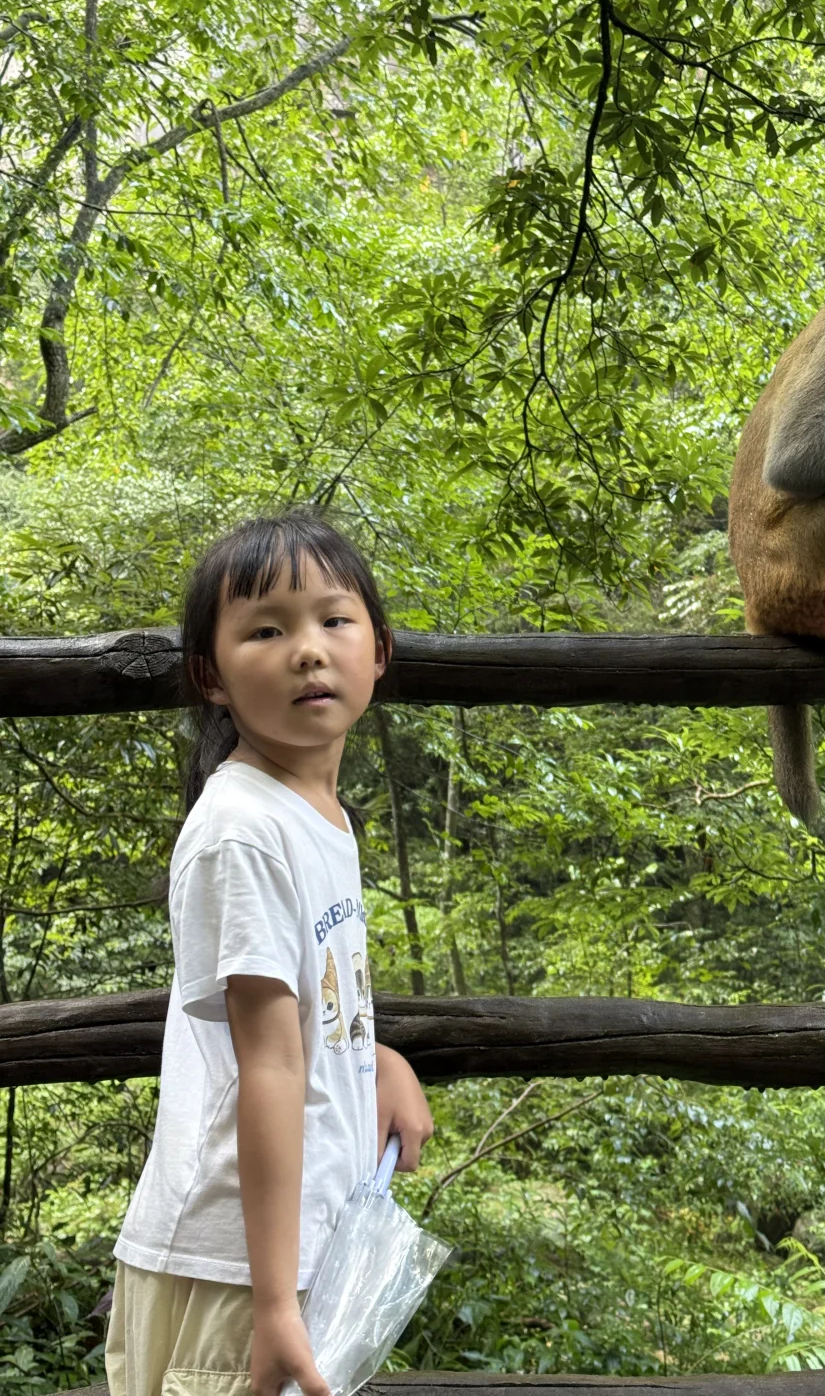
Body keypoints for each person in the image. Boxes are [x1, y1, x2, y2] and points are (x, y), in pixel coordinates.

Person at [106, 509, 434, 1396]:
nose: (308, 649)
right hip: (238, 1271)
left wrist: (376, 1062)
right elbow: (269, 1066)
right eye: (266, 629)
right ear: (210, 676)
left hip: (286, 1252)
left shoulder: (316, 814)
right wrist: (278, 1302)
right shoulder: (243, 833)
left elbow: (304, 1013)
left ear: (379, 648)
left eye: (334, 619)